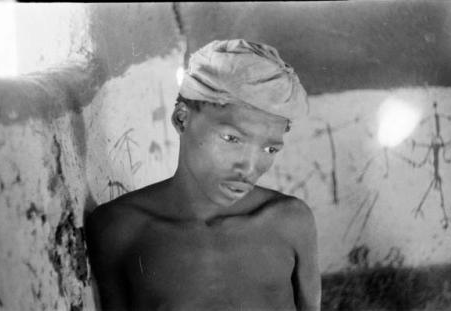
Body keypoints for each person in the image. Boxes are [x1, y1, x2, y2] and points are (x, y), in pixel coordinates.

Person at [85, 39, 321, 311]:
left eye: (269, 148)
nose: (249, 167)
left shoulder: (289, 220)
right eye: (232, 138)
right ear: (182, 118)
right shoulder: (120, 228)